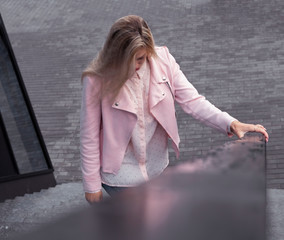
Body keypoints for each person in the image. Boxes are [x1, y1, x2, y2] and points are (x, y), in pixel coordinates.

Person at [80, 15, 269, 204]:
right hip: (120, 176)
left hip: (156, 166)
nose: (136, 66)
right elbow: (89, 136)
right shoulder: (96, 79)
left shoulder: (163, 61)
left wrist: (231, 123)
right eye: (129, 60)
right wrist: (92, 185)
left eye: (141, 59)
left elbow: (193, 101)